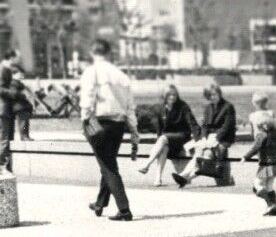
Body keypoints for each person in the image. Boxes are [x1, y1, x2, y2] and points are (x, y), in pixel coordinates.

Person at [79, 39, 139, 221]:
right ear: (109, 53)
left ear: (92, 52)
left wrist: (85, 119)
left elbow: (87, 98)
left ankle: (124, 209)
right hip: (118, 125)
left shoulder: (92, 72)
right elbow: (130, 106)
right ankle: (100, 203)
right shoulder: (121, 75)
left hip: (100, 123)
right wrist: (134, 129)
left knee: (107, 166)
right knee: (108, 162)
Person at [175, 80, 236, 186]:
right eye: (210, 95)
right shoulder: (208, 108)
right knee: (199, 151)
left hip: (223, 137)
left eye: (214, 94)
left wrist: (216, 138)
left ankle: (185, 176)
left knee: (207, 155)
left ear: (219, 93)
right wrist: (203, 138)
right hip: (209, 138)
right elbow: (204, 126)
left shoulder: (228, 106)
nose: (212, 97)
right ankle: (184, 176)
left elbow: (227, 126)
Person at [138, 84, 199, 187]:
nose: (172, 97)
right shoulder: (161, 108)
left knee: (163, 138)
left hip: (182, 137)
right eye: (169, 95)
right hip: (168, 141)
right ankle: (158, 179)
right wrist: (159, 145)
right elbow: (160, 129)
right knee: (163, 147)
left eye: (174, 95)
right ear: (165, 96)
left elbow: (192, 123)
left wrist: (198, 139)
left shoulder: (183, 106)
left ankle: (147, 164)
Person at [242, 91, 276, 216]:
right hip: (275, 163)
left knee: (257, 186)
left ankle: (270, 205)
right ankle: (274, 208)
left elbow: (255, 142)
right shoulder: (272, 120)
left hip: (265, 162)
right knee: (270, 186)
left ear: (254, 103)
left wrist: (245, 157)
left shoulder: (253, 118)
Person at [0, 46, 20, 174]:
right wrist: (16, 94)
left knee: (7, 138)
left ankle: (7, 166)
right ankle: (2, 166)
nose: (19, 60)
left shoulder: (7, 70)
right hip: (0, 110)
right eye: (17, 57)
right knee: (2, 138)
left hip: (6, 110)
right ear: (11, 57)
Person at [10, 77, 34, 142]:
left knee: (25, 122)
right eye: (20, 74)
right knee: (22, 122)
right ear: (14, 75)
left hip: (22, 105)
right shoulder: (13, 83)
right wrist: (24, 95)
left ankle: (25, 135)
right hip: (19, 106)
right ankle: (24, 136)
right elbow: (14, 94)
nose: (22, 76)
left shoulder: (18, 83)